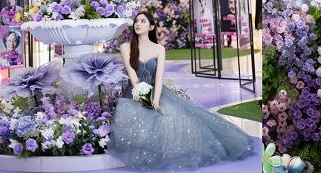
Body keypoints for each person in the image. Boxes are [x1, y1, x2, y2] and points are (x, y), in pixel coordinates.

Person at [109, 12, 255, 171]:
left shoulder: (159, 49)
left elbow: (159, 77)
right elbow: (132, 75)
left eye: (143, 21)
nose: (138, 24)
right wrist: (142, 97)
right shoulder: (126, 47)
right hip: (134, 92)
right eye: (136, 21)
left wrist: (155, 100)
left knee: (174, 118)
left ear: (151, 27)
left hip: (156, 91)